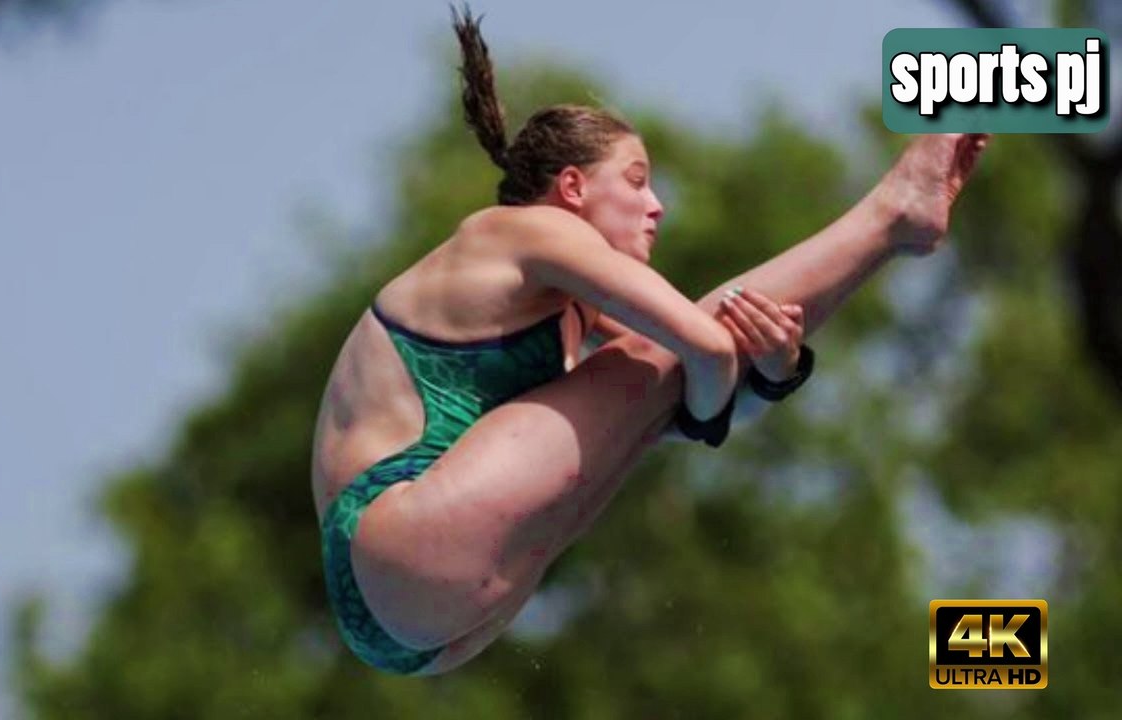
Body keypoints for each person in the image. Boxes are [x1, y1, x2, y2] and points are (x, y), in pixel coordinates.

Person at [310, 7, 989, 676]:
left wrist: (775, 369)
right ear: (572, 187)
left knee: (653, 376)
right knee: (657, 355)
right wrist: (727, 377)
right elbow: (708, 355)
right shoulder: (524, 231)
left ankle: (895, 219)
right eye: (636, 181)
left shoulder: (569, 303)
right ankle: (892, 211)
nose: (657, 205)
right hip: (393, 533)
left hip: (420, 608)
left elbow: (691, 411)